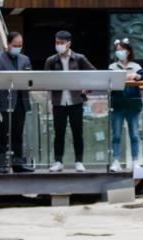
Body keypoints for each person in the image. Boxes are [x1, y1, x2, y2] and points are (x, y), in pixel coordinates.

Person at [44, 31, 96, 173]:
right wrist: (49, 102)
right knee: (58, 132)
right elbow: (45, 81)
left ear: (69, 43)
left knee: (77, 132)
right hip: (58, 101)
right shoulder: (51, 60)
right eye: (56, 43)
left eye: (61, 43)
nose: (58, 45)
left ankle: (79, 161)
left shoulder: (79, 58)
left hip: (76, 101)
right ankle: (58, 161)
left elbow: (94, 73)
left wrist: (87, 89)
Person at [0, 31, 34, 174]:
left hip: (20, 101)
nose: (18, 47)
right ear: (8, 44)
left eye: (20, 45)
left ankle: (18, 163)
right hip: (3, 101)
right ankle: (0, 163)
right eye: (15, 45)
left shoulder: (25, 59)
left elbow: (30, 79)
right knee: (2, 134)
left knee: (18, 134)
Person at [108, 38, 143, 172]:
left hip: (133, 105)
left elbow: (142, 76)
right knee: (116, 135)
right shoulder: (112, 67)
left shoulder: (136, 66)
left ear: (128, 51)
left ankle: (135, 161)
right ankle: (116, 161)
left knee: (134, 134)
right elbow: (110, 80)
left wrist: (135, 76)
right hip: (117, 105)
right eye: (117, 50)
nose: (119, 53)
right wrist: (128, 77)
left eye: (122, 50)